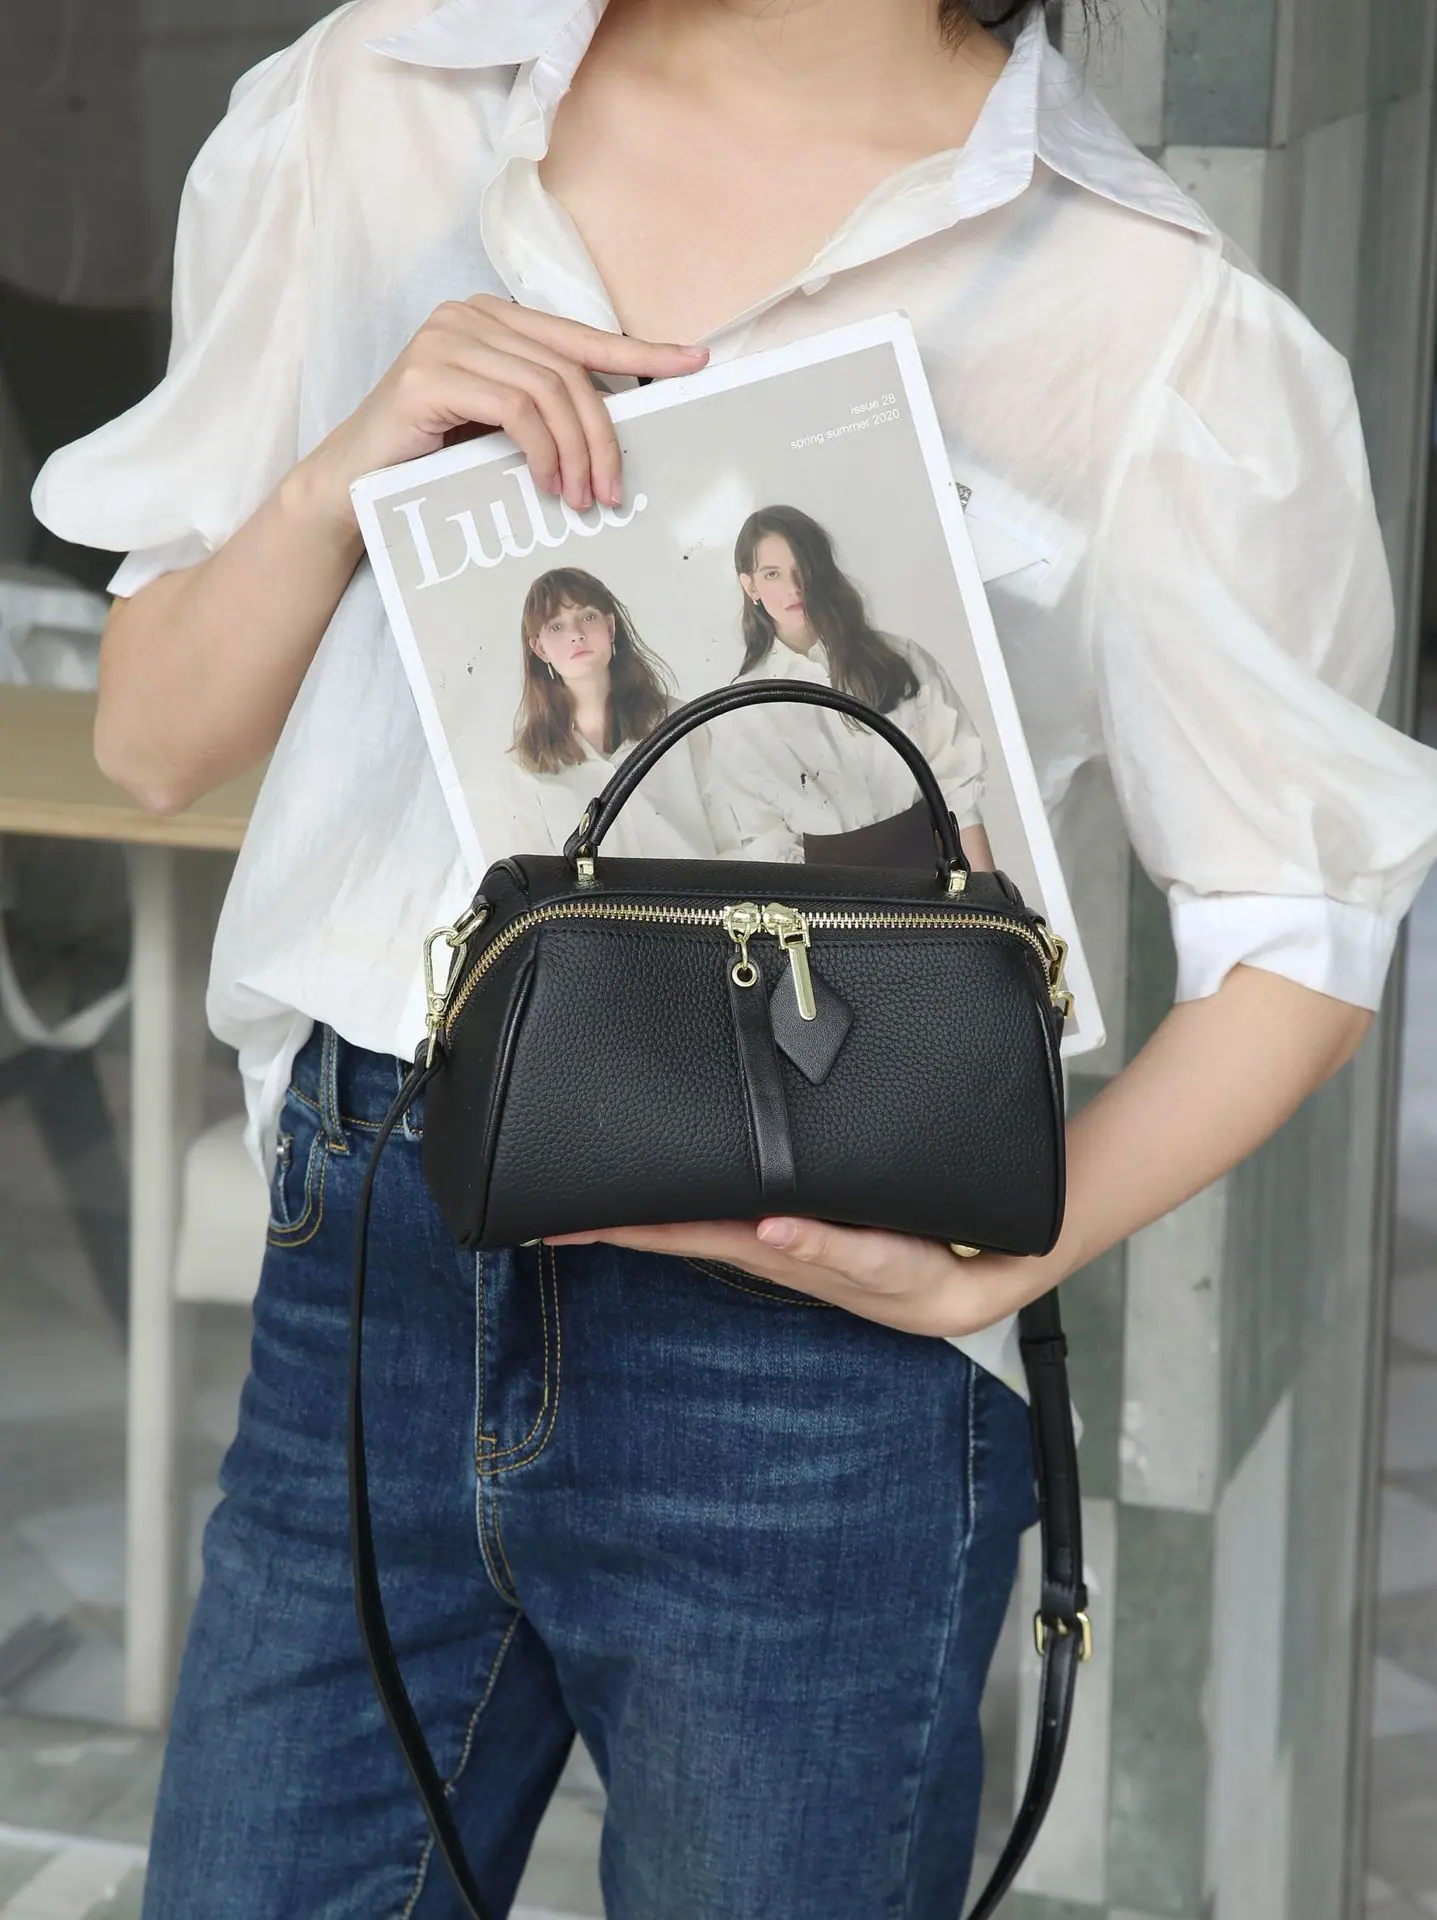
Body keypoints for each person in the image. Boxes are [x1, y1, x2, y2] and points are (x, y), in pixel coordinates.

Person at [29, 0, 1437, 1914]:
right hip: (375, 1261)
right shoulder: (384, 105)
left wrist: (1005, 1264)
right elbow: (152, 742)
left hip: (809, 1350)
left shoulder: (1138, 308)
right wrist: (345, 472)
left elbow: (1304, 923)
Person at [708, 503, 995, 868]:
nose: (793, 588)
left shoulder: (901, 659)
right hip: (832, 893)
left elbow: (959, 794)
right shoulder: (744, 710)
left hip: (934, 869)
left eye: (802, 570)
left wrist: (987, 897)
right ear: (750, 586)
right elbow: (766, 840)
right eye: (772, 574)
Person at [501, 564, 717, 856]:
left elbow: (733, 838)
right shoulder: (524, 766)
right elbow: (534, 877)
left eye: (587, 616)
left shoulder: (682, 723)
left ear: (610, 627)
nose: (576, 634)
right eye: (556, 626)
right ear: (540, 649)